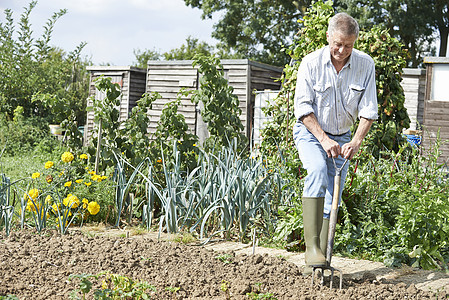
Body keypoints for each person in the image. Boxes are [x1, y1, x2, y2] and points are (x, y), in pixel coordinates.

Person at [293, 12, 378, 273]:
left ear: (355, 42)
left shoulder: (365, 65)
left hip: (342, 138)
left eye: (349, 45)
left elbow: (369, 110)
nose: (342, 51)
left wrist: (356, 140)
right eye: (338, 44)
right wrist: (323, 139)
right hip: (311, 132)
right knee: (317, 170)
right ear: (328, 36)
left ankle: (321, 259)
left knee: (334, 195)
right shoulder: (310, 63)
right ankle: (312, 249)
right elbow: (303, 108)